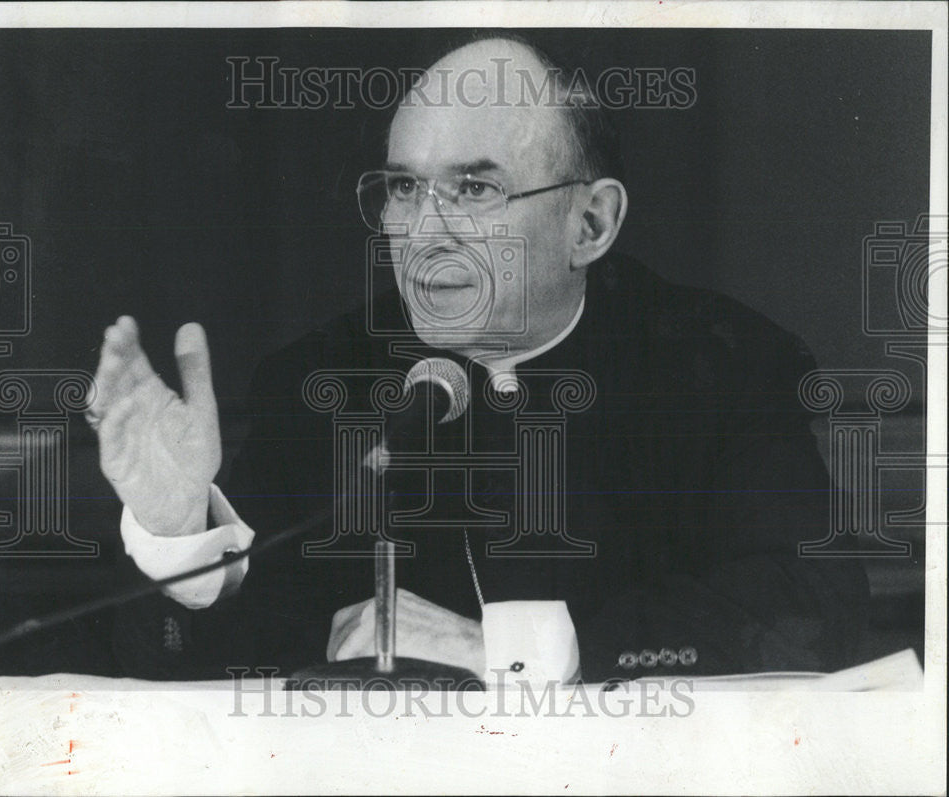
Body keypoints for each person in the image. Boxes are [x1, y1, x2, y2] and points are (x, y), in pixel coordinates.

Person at [93, 36, 869, 682]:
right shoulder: (319, 379)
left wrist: (506, 649)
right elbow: (199, 668)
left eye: (472, 189)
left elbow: (811, 606)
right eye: (403, 188)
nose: (424, 231)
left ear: (591, 224)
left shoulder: (721, 363)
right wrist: (179, 533)